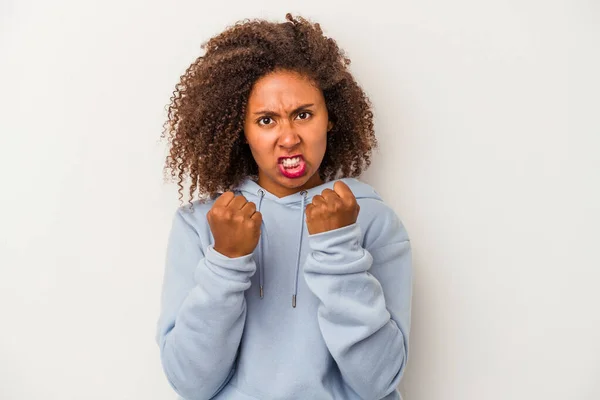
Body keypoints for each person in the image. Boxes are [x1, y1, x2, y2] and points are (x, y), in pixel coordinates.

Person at [156, 13, 413, 400]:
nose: (288, 137)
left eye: (303, 115)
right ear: (239, 131)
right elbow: (191, 384)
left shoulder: (371, 219)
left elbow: (379, 382)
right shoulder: (202, 224)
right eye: (266, 120)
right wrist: (225, 261)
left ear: (330, 119)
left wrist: (339, 248)